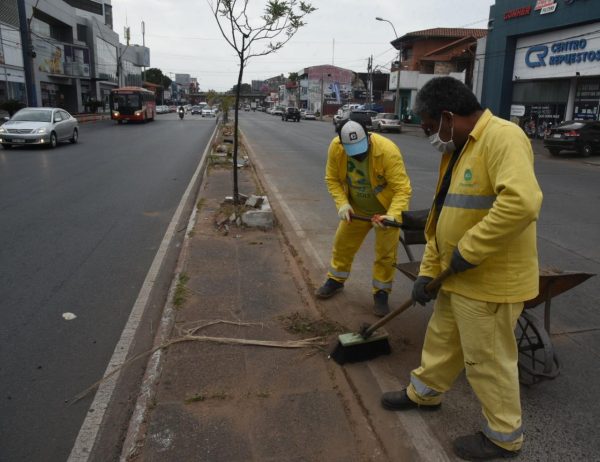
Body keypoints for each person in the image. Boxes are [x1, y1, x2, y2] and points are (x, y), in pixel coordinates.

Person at [380, 76, 543, 460]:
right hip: (456, 277)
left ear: (448, 117)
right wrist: (427, 271)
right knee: (441, 339)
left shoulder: (503, 137)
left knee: (487, 361)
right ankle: (424, 393)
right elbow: (441, 218)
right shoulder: (457, 149)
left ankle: (503, 437)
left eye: (428, 126)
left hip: (489, 281)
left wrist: (469, 249)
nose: (428, 134)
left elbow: (521, 203)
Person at [315, 119, 412, 317]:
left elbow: (402, 189)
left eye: (361, 151)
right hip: (356, 210)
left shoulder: (387, 151)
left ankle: (381, 292)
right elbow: (332, 179)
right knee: (342, 244)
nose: (359, 156)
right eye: (353, 152)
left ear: (368, 137)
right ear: (342, 144)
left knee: (386, 254)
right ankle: (336, 280)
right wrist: (342, 204)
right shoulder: (336, 148)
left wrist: (392, 216)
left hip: (385, 211)